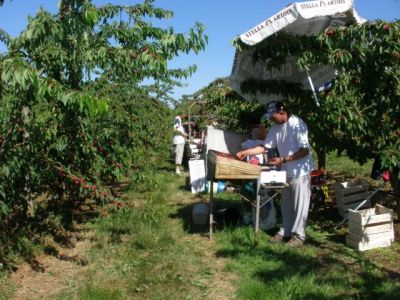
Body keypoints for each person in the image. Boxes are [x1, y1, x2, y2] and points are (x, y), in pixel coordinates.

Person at [236, 101, 314, 247]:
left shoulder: (297, 124)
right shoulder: (275, 128)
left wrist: (283, 159)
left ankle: (299, 236)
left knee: (300, 203)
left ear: (282, 111)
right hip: (286, 170)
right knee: (286, 204)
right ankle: (286, 231)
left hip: (300, 170)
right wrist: (245, 152)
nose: (270, 119)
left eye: (273, 116)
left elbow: (305, 150)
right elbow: (265, 147)